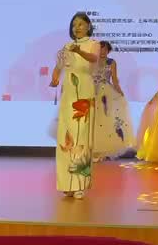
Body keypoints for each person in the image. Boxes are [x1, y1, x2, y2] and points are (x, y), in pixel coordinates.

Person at [49, 12, 100, 199]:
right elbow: (59, 65)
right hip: (69, 92)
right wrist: (55, 77)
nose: (76, 28)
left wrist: (79, 51)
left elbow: (93, 59)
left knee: (81, 137)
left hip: (84, 90)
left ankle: (79, 184)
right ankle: (67, 184)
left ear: (88, 26)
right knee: (66, 137)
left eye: (80, 24)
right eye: (74, 25)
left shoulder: (93, 43)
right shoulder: (67, 46)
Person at [92, 41, 135, 160]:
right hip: (91, 91)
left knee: (105, 119)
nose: (102, 52)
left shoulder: (111, 62)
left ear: (108, 51)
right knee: (93, 120)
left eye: (105, 49)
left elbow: (115, 79)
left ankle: (102, 151)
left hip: (105, 93)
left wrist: (120, 92)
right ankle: (92, 149)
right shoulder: (92, 60)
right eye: (100, 49)